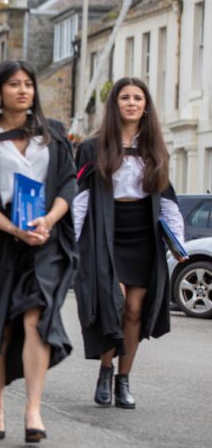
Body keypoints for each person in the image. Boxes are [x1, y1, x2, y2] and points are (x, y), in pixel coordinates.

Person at [0, 60, 77, 443]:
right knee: (1, 330)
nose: (23, 90)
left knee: (36, 319)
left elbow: (68, 185)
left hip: (44, 242)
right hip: (1, 245)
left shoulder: (51, 134)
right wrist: (15, 230)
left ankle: (33, 410)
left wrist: (49, 222)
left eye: (28, 84)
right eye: (14, 84)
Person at [73, 77, 184, 409]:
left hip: (143, 237)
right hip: (106, 234)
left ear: (145, 106)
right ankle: (105, 371)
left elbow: (168, 202)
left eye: (138, 98)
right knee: (114, 304)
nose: (132, 102)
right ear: (115, 104)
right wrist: (72, 243)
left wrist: (179, 246)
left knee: (135, 311)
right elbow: (80, 199)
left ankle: (123, 379)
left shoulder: (155, 149)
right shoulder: (92, 148)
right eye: (125, 97)